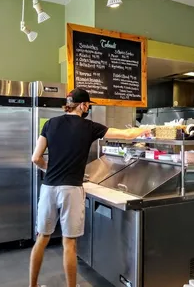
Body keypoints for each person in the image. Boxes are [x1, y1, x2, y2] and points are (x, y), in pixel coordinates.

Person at [29, 88, 150, 287]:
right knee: (69, 243)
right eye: (88, 105)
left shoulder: (50, 124)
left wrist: (50, 168)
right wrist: (146, 129)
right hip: (72, 189)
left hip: (49, 187)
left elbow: (36, 158)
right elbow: (126, 135)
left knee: (42, 238)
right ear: (84, 105)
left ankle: (32, 285)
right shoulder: (89, 127)